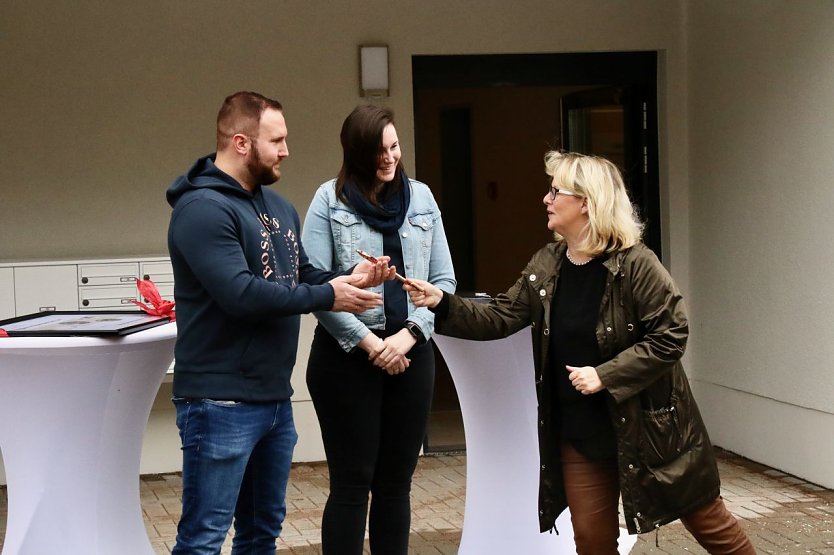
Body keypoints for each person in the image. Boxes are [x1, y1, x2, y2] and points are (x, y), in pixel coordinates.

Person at [404, 151, 755, 554]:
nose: (546, 199)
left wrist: (605, 374)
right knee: (590, 539)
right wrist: (440, 302)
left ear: (586, 203)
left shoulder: (636, 264)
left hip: (651, 428)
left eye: (556, 191)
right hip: (580, 429)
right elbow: (501, 317)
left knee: (708, 522)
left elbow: (671, 334)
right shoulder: (549, 262)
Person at [166, 91, 395, 555]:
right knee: (203, 540)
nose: (287, 150)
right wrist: (329, 294)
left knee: (261, 534)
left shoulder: (278, 207)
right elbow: (241, 294)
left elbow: (301, 275)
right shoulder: (202, 210)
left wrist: (347, 278)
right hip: (219, 402)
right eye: (278, 140)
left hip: (273, 401)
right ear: (241, 143)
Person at [301, 104, 456, 554]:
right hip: (346, 360)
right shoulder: (328, 201)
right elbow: (314, 284)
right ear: (355, 153)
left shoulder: (422, 199)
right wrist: (370, 343)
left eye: (394, 147)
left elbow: (444, 282)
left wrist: (409, 334)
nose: (389, 159)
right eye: (378, 151)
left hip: (412, 355)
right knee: (351, 484)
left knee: (395, 484)